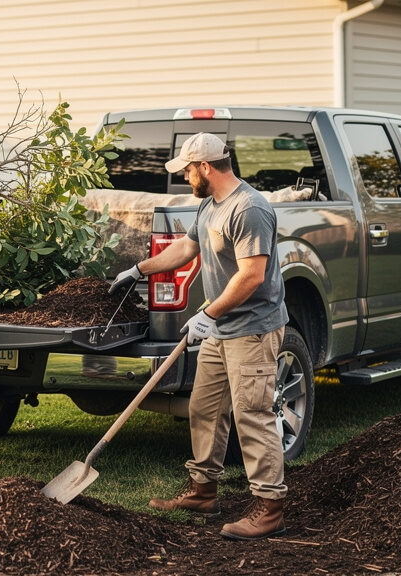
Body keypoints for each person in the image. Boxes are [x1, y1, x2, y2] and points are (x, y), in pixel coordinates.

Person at [109, 132, 289, 541]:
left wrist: (207, 313)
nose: (185, 177)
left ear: (206, 167)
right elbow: (187, 249)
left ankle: (270, 508)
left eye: (188, 170)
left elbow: (252, 275)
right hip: (221, 329)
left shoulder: (249, 209)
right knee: (204, 408)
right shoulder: (210, 204)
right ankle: (204, 492)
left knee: (252, 414)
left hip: (253, 329)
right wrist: (139, 270)